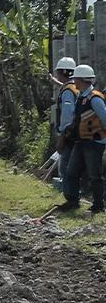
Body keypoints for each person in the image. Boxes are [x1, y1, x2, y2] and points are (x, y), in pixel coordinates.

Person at [58, 64, 106, 214]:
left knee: (94, 175)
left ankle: (98, 206)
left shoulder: (95, 99)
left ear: (83, 80)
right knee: (71, 172)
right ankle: (73, 201)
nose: (74, 82)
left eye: (76, 79)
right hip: (81, 141)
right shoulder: (81, 96)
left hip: (94, 143)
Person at [53, 56, 79, 181]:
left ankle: (70, 195)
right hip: (78, 133)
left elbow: (67, 116)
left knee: (65, 167)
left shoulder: (68, 91)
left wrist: (62, 137)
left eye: (58, 72)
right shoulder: (75, 87)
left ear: (63, 72)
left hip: (69, 134)